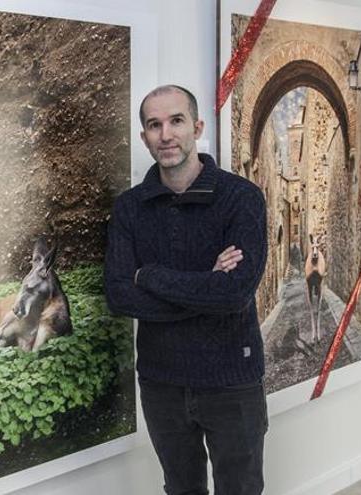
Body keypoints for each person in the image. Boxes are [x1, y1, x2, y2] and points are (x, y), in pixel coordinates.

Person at [104, 85, 269, 495]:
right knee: (180, 489)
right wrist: (206, 285)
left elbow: (233, 295)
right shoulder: (129, 208)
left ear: (196, 126)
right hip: (163, 383)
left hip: (232, 380)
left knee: (242, 489)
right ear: (144, 137)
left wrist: (151, 275)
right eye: (154, 125)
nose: (166, 135)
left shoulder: (241, 199)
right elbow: (120, 295)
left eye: (176, 121)